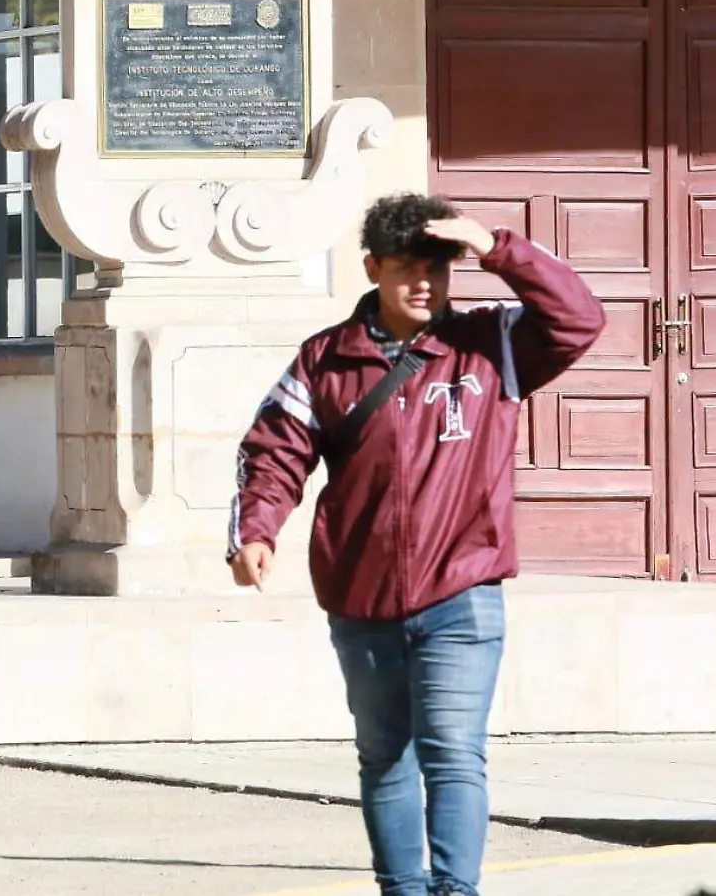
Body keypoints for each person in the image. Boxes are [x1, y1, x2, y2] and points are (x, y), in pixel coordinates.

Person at [228, 194, 604, 896]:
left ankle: (456, 892)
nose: (424, 282)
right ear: (372, 268)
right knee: (385, 761)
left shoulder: (493, 343)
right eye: (406, 269)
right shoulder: (325, 358)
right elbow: (274, 449)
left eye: (437, 267)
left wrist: (494, 245)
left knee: (454, 754)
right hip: (360, 599)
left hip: (463, 595)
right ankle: (402, 890)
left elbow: (581, 316)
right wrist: (257, 529)